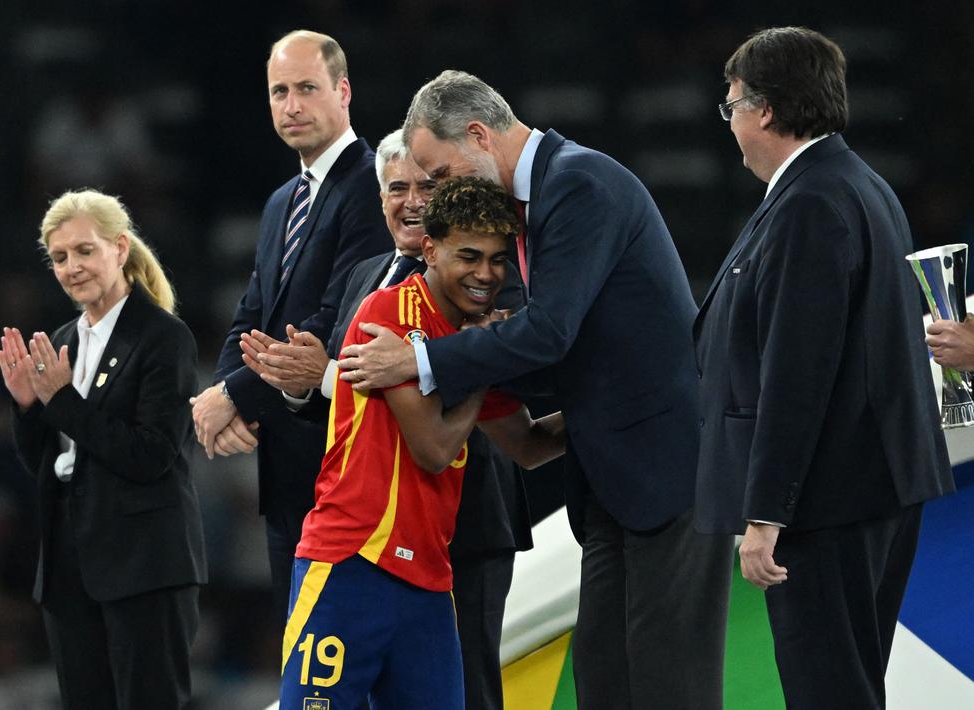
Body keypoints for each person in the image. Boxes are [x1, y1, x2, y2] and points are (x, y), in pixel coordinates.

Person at [338, 71, 730, 708]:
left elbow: (549, 334)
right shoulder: (538, 201)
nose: (437, 194)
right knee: (605, 684)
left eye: (439, 173)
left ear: (477, 136)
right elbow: (564, 354)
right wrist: (470, 358)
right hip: (614, 484)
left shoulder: (579, 183)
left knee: (668, 688)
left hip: (668, 474)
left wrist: (421, 356)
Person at [693, 27, 955, 708]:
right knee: (849, 686)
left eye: (731, 108)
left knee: (827, 692)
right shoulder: (855, 183)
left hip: (825, 501)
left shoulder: (808, 203)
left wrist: (765, 513)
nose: (732, 127)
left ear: (767, 110)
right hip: (868, 487)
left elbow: (796, 370)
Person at [241, 130, 532, 709]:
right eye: (470, 257)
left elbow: (526, 445)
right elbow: (432, 448)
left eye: (499, 260)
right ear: (432, 251)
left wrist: (610, 410)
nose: (486, 274)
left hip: (429, 578)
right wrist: (476, 364)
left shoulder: (468, 336)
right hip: (352, 561)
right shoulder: (390, 308)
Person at [190, 29, 388, 618]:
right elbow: (252, 315)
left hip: (343, 466)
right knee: (300, 666)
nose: (292, 105)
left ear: (343, 90)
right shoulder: (282, 201)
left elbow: (336, 319)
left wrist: (232, 394)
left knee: (341, 658)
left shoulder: (375, 185)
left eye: (307, 88)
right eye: (280, 92)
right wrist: (231, 394)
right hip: (285, 470)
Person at [0, 190, 207, 710]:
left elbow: (151, 454)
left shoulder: (163, 337)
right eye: (60, 257)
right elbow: (46, 465)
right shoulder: (60, 339)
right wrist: (28, 408)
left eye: (85, 250)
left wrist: (62, 402)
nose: (72, 267)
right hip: (71, 556)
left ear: (119, 248)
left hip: (144, 558)